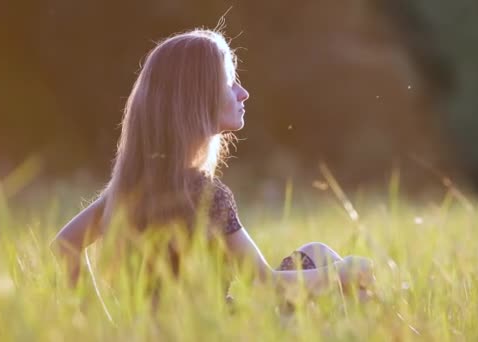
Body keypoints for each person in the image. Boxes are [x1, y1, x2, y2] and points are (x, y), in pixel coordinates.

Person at [51, 29, 375, 304]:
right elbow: (264, 283)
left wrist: (99, 321)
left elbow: (65, 246)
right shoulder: (206, 195)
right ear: (197, 98)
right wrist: (342, 272)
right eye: (230, 82)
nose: (243, 93)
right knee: (342, 279)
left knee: (316, 253)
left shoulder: (131, 189)